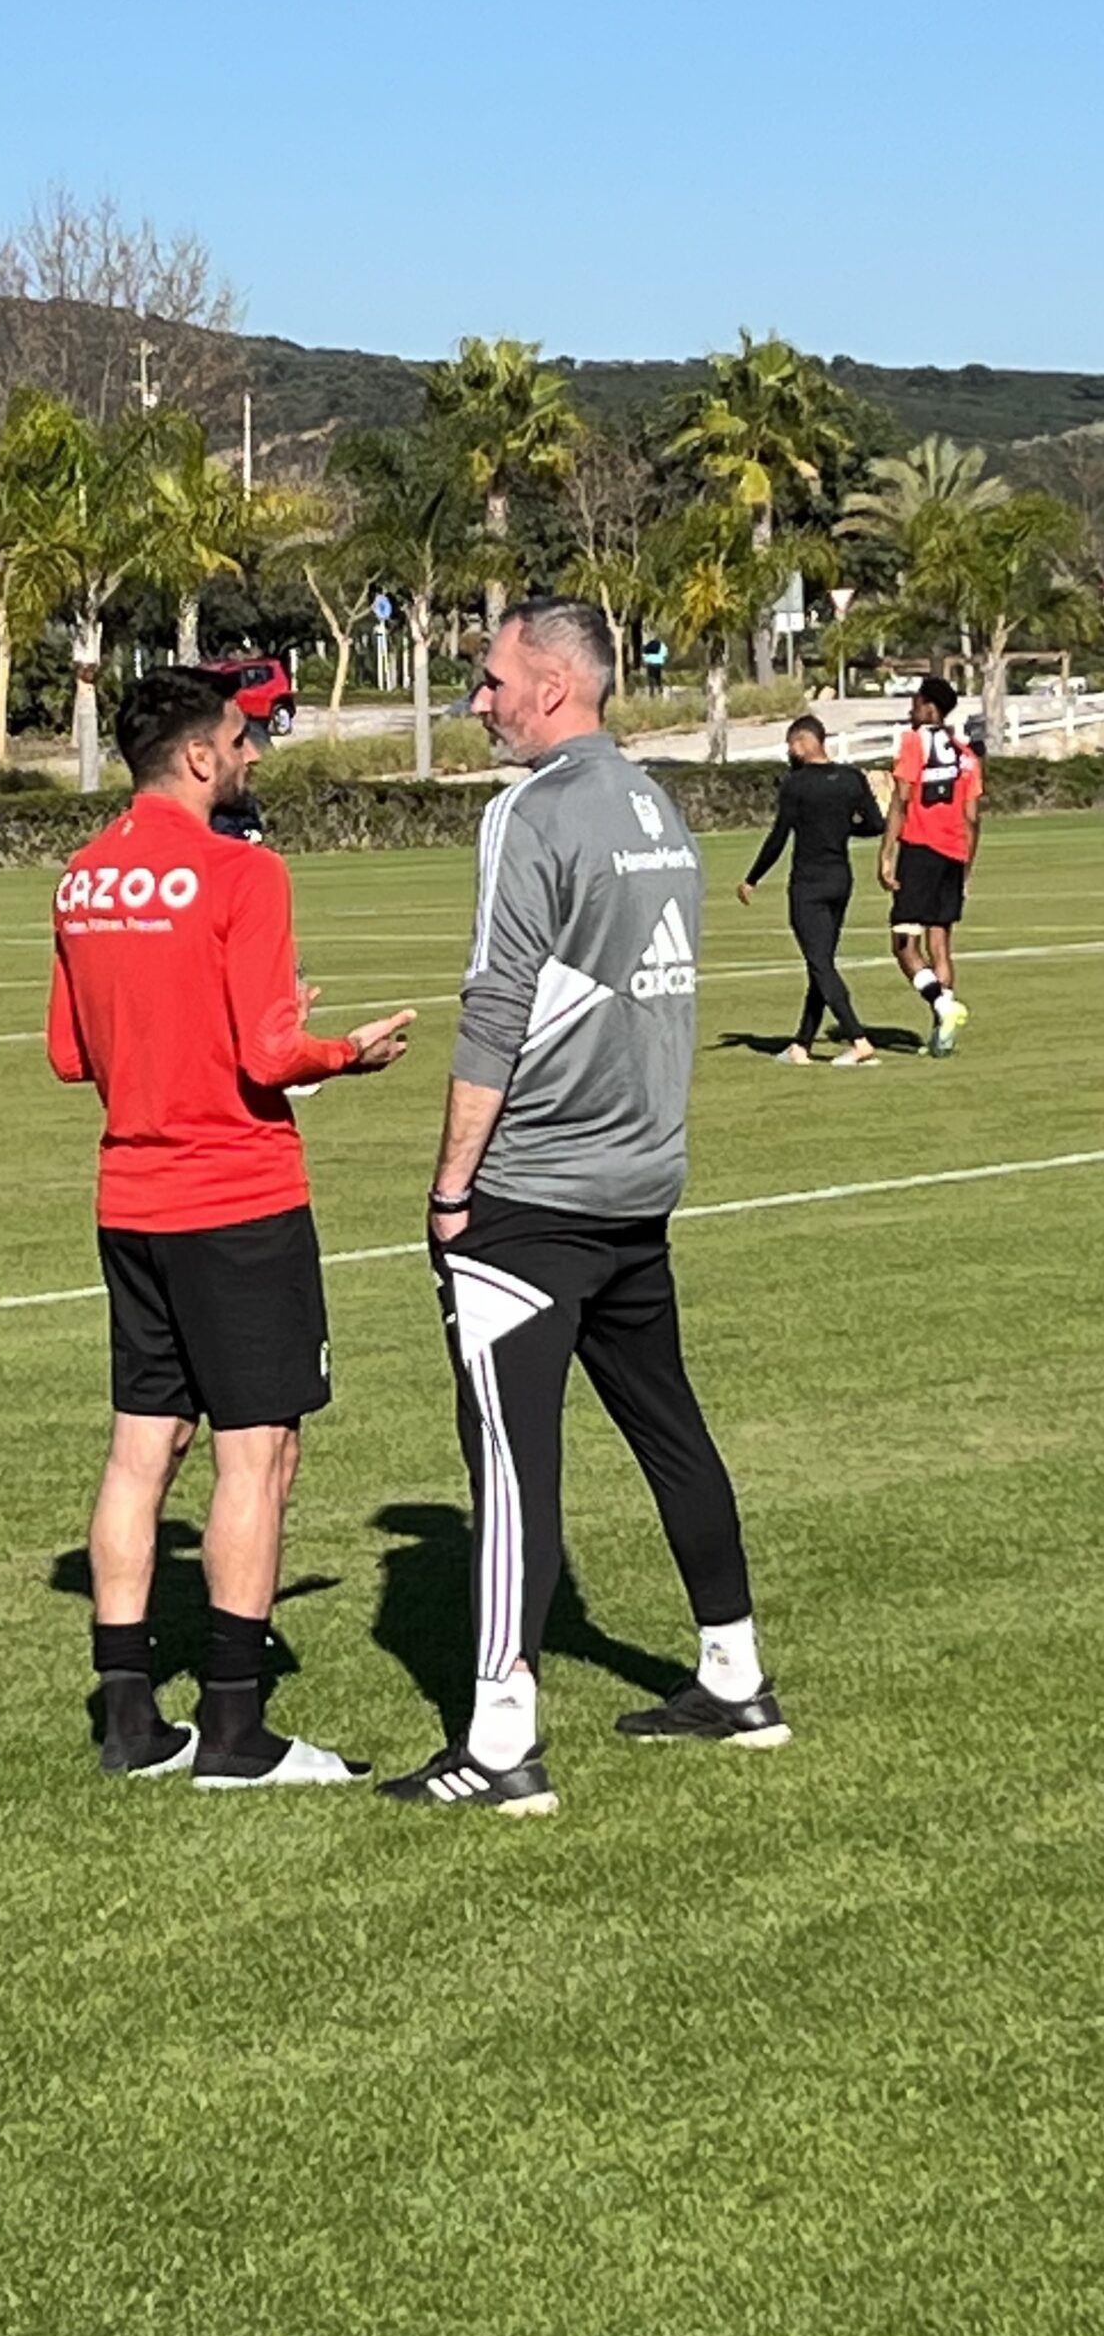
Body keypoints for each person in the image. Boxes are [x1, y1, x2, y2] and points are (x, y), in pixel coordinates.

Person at [378, 600, 788, 1817]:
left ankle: (501, 1744)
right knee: (672, 1430)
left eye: (491, 678)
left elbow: (497, 1008)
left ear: (553, 687)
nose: (479, 699)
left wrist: (452, 1187)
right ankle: (735, 1674)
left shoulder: (529, 812)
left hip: (538, 1195)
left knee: (509, 1466)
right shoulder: (657, 806)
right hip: (640, 1185)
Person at [48, 669, 414, 1788]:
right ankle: (237, 1730)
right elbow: (268, 1053)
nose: (256, 754)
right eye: (245, 738)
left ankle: (127, 1720)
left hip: (132, 1200)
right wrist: (347, 1048)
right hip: (237, 1198)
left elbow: (70, 1055)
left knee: (141, 1445)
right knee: (261, 1450)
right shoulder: (242, 871)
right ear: (200, 756)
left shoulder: (82, 878)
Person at [736, 715, 883, 1067]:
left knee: (819, 964)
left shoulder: (796, 785)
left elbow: (779, 837)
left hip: (809, 884)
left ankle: (857, 1038)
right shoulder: (851, 778)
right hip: (841, 880)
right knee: (822, 964)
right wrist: (841, 829)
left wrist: (752, 878)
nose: (790, 752)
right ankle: (801, 1044)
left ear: (802, 743)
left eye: (791, 744)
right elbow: (876, 824)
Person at [879, 677, 981, 1056]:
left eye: (915, 703)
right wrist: (966, 867)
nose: (911, 711)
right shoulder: (966, 754)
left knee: (904, 944)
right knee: (940, 946)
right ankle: (943, 1036)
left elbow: (901, 800)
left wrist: (886, 852)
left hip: (920, 850)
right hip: (954, 854)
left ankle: (943, 1007)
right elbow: (973, 818)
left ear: (929, 708)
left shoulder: (913, 742)